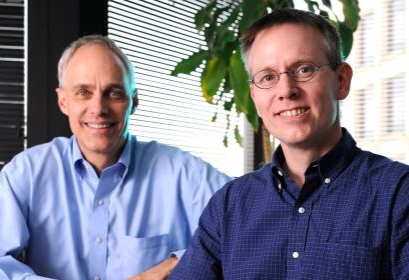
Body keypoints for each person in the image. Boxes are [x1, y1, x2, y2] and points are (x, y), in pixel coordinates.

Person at [170, 8, 409, 279]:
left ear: (341, 81)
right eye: (268, 77)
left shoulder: (399, 195)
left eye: (304, 69)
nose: (286, 90)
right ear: (254, 97)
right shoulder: (229, 204)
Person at [0, 35, 232, 280]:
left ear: (133, 101)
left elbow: (249, 220)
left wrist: (173, 265)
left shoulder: (183, 172)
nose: (98, 109)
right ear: (63, 101)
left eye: (114, 93)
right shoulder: (28, 172)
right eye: (83, 92)